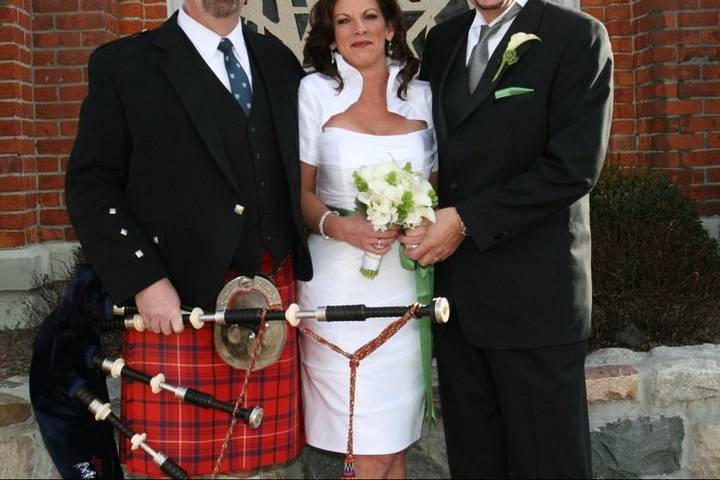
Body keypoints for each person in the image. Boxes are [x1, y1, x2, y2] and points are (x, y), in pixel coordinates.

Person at [64, 0, 312, 476]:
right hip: (175, 299)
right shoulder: (125, 64)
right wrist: (144, 278)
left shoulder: (278, 60)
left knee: (265, 464)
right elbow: (92, 186)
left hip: (269, 293)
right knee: (171, 464)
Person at [403, 0, 613, 477]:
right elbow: (435, 150)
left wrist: (464, 221)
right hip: (458, 307)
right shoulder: (443, 41)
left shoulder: (576, 36)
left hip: (536, 306)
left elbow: (572, 168)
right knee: (476, 466)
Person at [296, 0, 436, 477]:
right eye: (344, 21)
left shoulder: (422, 95)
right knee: (367, 447)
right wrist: (342, 226)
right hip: (338, 292)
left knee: (392, 446)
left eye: (370, 17)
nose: (359, 29)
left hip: (405, 283)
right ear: (331, 36)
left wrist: (423, 219)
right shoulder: (313, 93)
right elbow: (300, 193)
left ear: (391, 27)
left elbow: (437, 184)